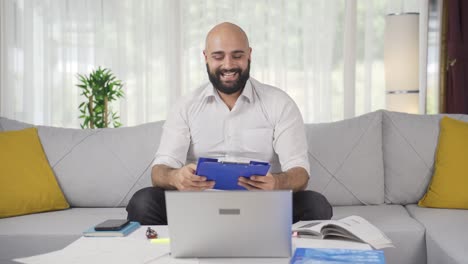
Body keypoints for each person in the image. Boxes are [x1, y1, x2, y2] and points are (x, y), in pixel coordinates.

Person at [126, 22, 332, 225]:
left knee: (316, 204)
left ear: (249, 54)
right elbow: (159, 171)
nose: (228, 65)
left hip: (263, 207)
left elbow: (300, 173)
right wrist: (175, 177)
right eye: (218, 56)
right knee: (143, 202)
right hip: (198, 207)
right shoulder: (185, 105)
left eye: (237, 55)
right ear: (205, 57)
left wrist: (276, 182)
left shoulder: (280, 103)